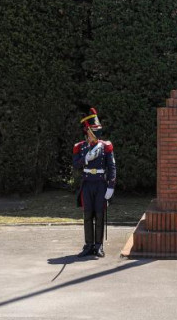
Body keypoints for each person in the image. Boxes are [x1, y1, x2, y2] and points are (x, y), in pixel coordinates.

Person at [72, 108, 116, 258]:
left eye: (97, 132)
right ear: (87, 132)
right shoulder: (80, 147)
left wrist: (111, 185)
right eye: (93, 132)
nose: (96, 135)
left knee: (99, 214)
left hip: (100, 184)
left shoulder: (106, 146)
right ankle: (88, 244)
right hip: (87, 184)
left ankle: (98, 246)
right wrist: (86, 159)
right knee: (87, 215)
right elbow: (75, 165)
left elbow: (112, 167)